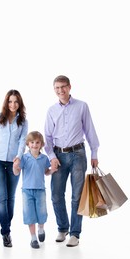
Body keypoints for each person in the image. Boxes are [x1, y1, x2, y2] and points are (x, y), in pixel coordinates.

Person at [44, 75, 99, 247]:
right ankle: (62, 228)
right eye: (57, 88)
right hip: (58, 156)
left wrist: (94, 153)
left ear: (69, 87)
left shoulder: (82, 106)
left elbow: (89, 129)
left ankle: (75, 233)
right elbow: (47, 137)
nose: (60, 91)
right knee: (56, 195)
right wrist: (52, 157)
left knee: (77, 197)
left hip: (78, 154)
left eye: (63, 87)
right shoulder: (51, 110)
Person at [0, 89, 28, 247]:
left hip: (14, 163)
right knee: (2, 197)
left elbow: (23, 141)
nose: (13, 104)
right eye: (10, 101)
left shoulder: (23, 121)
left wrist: (19, 157)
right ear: (6, 102)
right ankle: (6, 232)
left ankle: (6, 227)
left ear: (19, 103)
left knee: (11, 198)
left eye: (16, 101)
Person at [13, 131, 56, 249]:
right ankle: (33, 238)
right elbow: (17, 173)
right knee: (29, 214)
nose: (34, 145)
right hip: (27, 191)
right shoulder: (24, 158)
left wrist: (52, 170)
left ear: (41, 144)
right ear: (28, 144)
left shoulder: (44, 158)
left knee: (42, 212)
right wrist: (15, 167)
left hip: (40, 190)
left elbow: (46, 172)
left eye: (37, 142)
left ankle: (41, 229)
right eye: (32, 142)